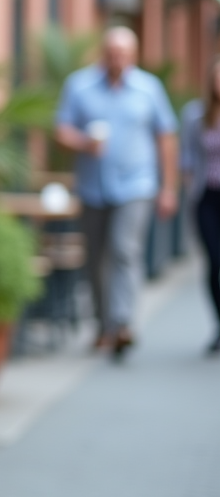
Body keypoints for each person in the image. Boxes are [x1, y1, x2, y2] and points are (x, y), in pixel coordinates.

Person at [54, 26, 178, 357]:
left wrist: (168, 187)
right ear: (103, 54)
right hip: (92, 187)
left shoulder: (149, 88)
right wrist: (84, 143)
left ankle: (123, 324)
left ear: (133, 56)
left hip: (137, 185)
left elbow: (166, 137)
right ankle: (103, 325)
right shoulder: (79, 86)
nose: (117, 60)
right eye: (112, 53)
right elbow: (61, 130)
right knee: (96, 258)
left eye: (123, 54)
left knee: (125, 249)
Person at [179, 58, 220, 354]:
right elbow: (187, 155)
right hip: (206, 197)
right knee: (214, 262)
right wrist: (187, 183)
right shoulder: (195, 115)